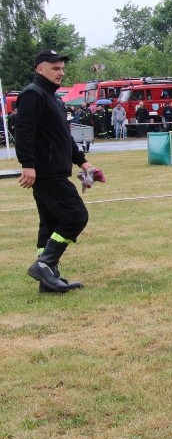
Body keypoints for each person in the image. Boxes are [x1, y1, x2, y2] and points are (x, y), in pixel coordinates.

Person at [15, 49, 103, 293]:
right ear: (39, 69)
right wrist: (28, 164)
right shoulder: (33, 94)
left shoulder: (53, 97)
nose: (61, 72)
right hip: (46, 172)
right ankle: (44, 265)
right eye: (55, 68)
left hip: (54, 170)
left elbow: (64, 136)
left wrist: (84, 163)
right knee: (76, 216)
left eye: (62, 68)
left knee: (50, 223)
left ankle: (48, 279)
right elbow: (23, 131)